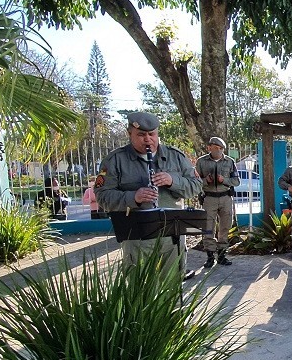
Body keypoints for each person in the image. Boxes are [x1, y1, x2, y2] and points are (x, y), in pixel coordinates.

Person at [96, 111, 203, 272]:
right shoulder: (115, 160)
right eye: (141, 135)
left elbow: (196, 186)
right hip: (137, 239)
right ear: (129, 133)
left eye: (151, 134)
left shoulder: (176, 156)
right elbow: (102, 196)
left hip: (171, 239)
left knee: (172, 289)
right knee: (139, 292)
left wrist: (173, 181)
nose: (147, 139)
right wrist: (134, 197)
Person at [196, 136, 239, 268]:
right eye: (216, 148)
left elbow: (236, 181)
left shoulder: (229, 162)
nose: (219, 151)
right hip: (209, 198)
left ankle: (222, 255)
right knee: (208, 227)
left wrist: (224, 180)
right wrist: (205, 181)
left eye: (221, 148)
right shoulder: (201, 162)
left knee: (225, 227)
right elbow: (194, 181)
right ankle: (210, 256)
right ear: (209, 148)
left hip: (226, 197)